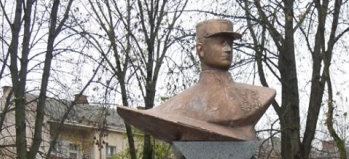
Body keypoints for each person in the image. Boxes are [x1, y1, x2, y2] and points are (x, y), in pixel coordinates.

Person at [116, 19, 275, 143]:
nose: (228, 49)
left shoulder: (258, 96)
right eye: (221, 43)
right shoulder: (178, 106)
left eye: (230, 43)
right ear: (200, 50)